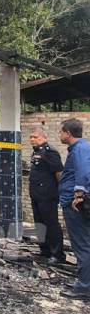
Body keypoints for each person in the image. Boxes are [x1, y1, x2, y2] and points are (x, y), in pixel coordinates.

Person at [58, 118, 90, 299]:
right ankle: (84, 281)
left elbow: (84, 171)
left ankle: (84, 287)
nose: (60, 135)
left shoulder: (80, 149)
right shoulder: (82, 148)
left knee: (82, 245)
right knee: (84, 243)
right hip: (75, 201)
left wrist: (79, 194)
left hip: (75, 204)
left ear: (68, 133)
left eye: (61, 132)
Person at [28, 127, 65, 264]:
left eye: (35, 137)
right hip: (36, 195)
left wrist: (61, 192)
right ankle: (45, 251)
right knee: (39, 224)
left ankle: (57, 255)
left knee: (51, 224)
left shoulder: (51, 152)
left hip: (48, 196)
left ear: (44, 138)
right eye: (31, 137)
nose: (32, 139)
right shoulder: (36, 152)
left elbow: (59, 174)